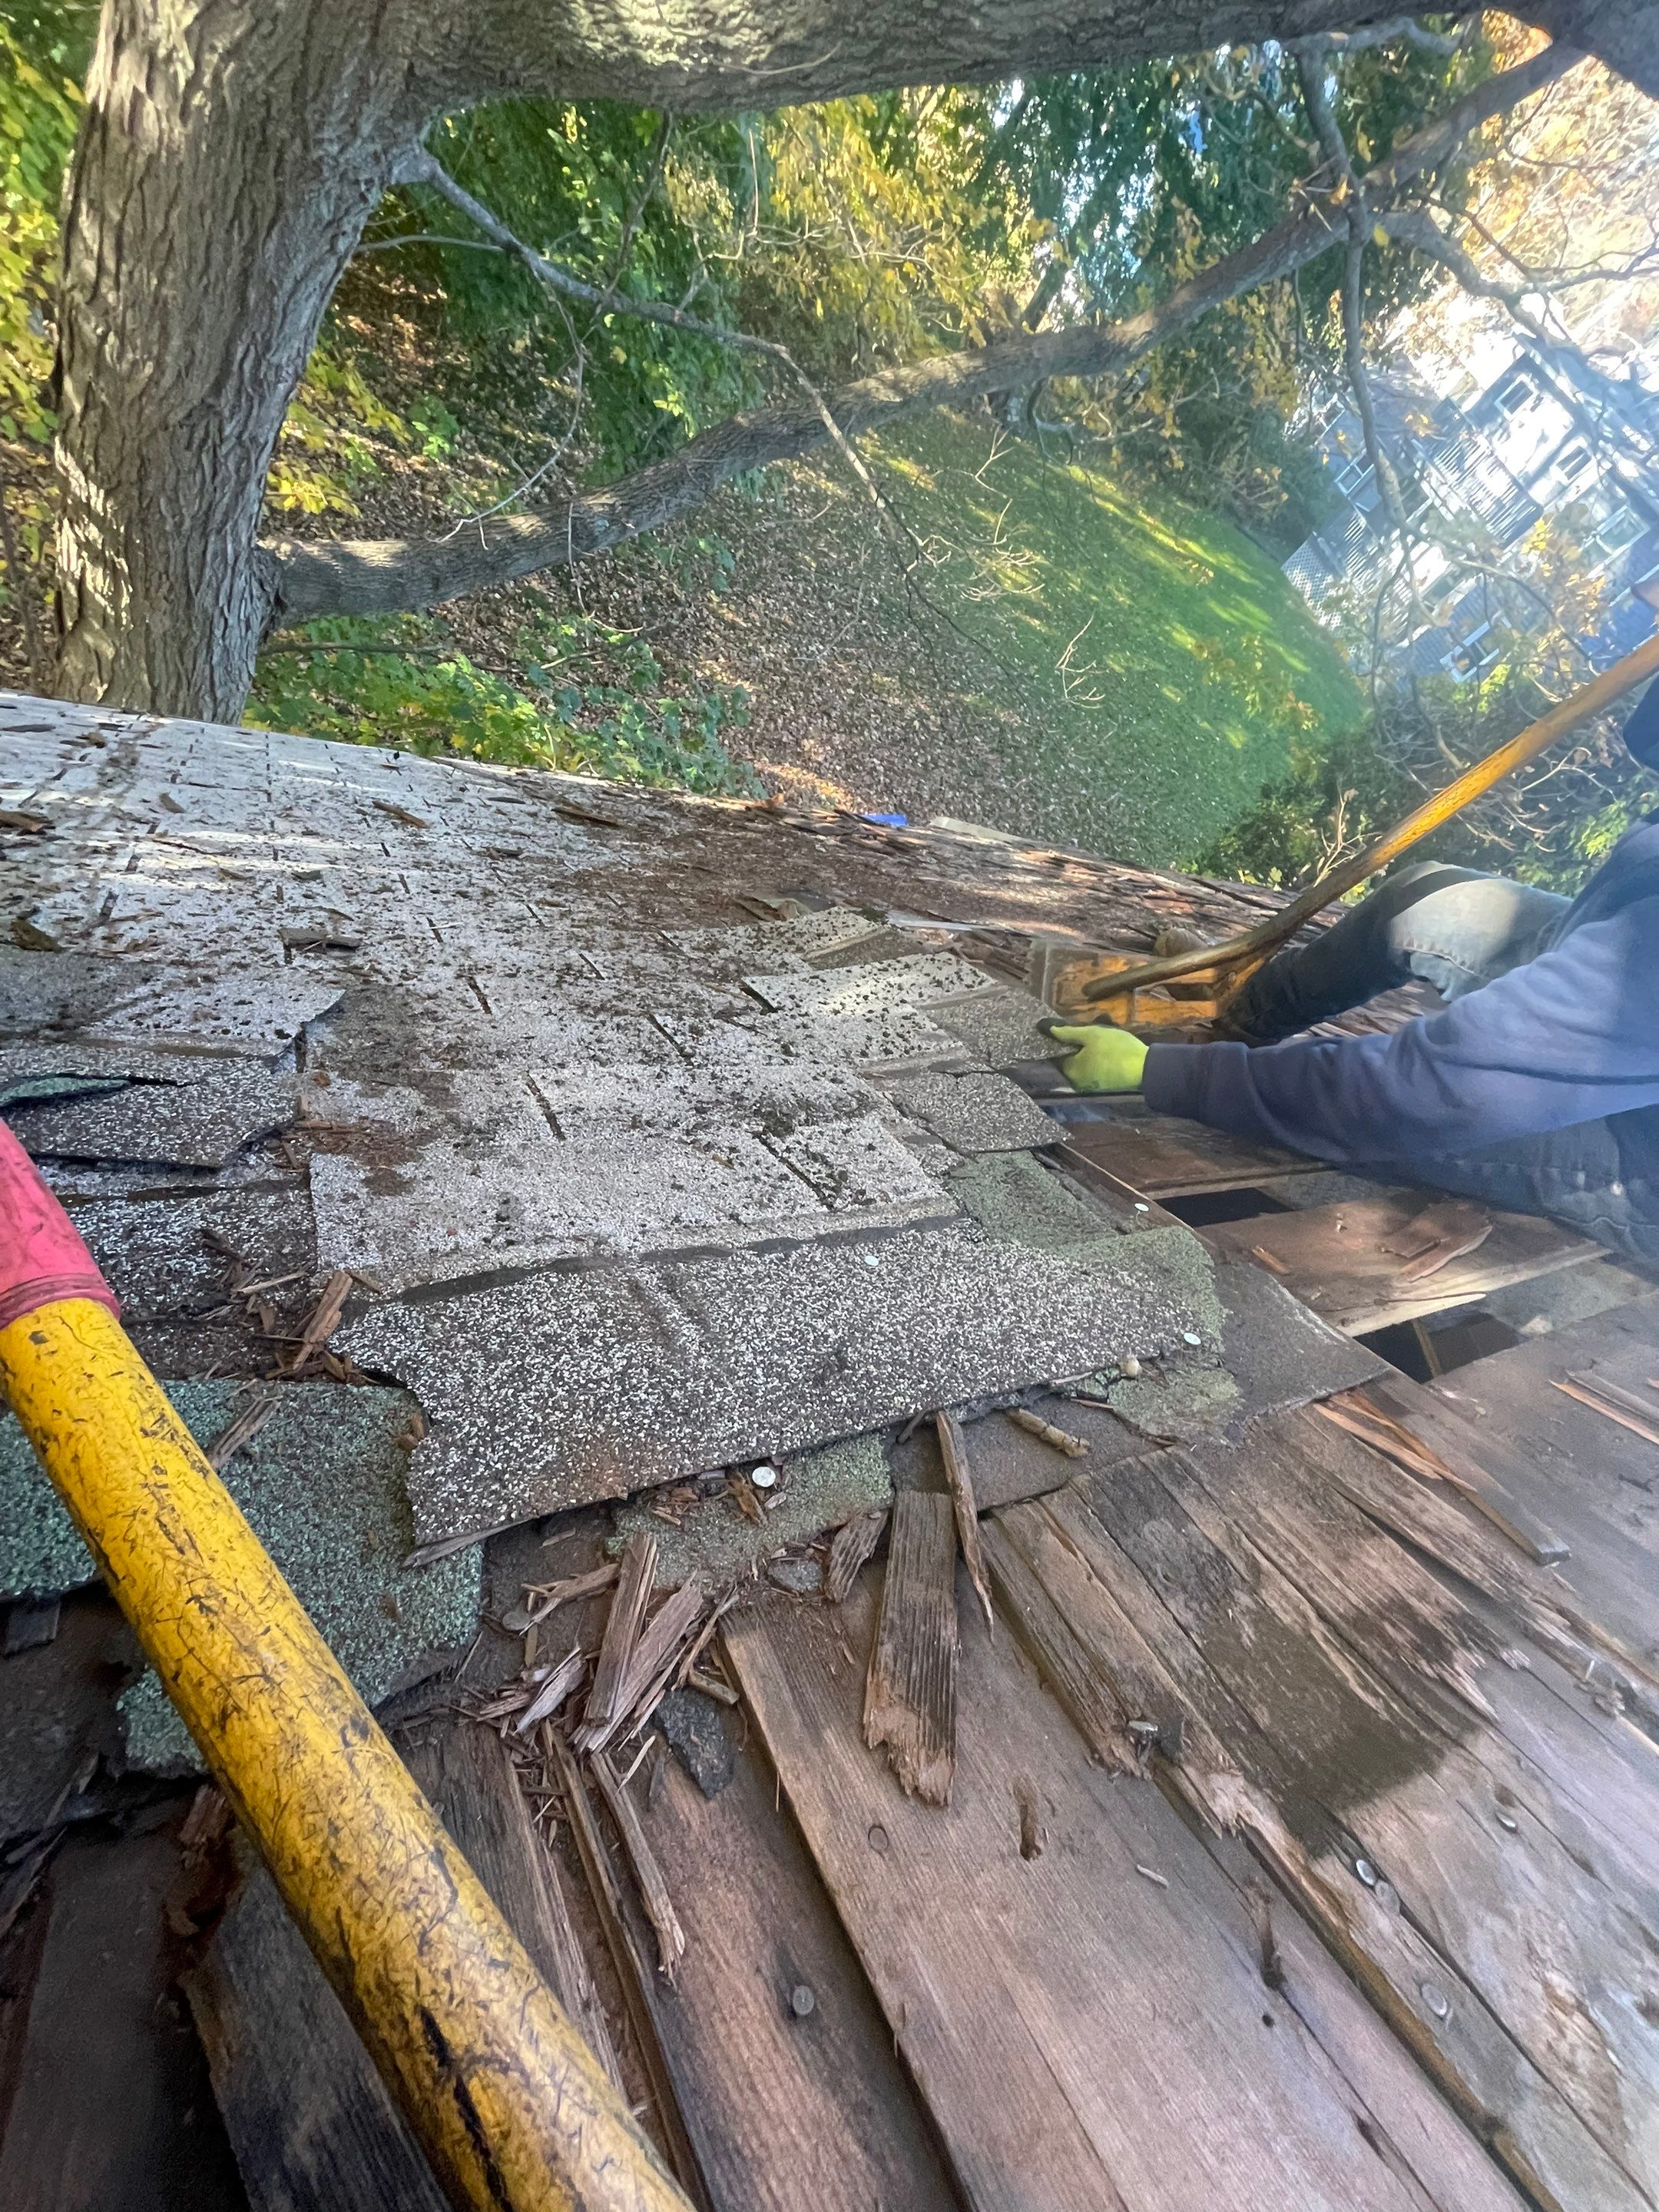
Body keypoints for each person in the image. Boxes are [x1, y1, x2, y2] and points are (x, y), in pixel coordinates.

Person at [1050, 661, 1659, 1266]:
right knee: (1427, 899)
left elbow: (1427, 1094)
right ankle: (1241, 1020)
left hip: (1634, 1163)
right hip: (1625, 993)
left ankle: (1216, 1077)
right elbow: (1648, 737)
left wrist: (1171, 1077)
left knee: (1413, 1123)